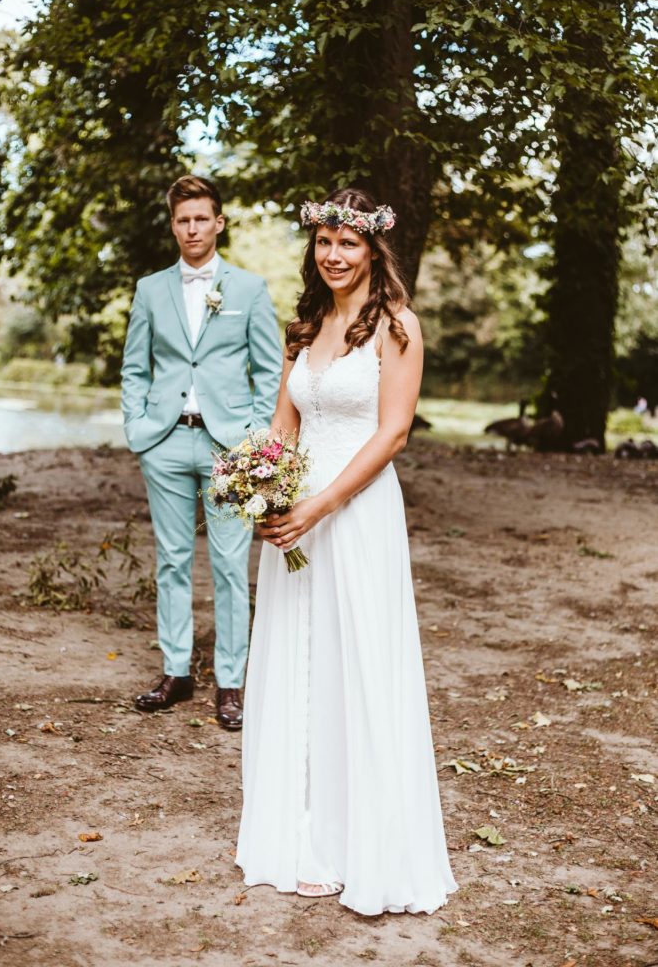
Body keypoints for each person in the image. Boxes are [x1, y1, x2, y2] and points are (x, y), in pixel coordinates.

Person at [236, 187, 457, 915]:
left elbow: (392, 435)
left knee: (352, 660)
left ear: (371, 251)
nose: (333, 256)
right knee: (298, 658)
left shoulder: (396, 327)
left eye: (347, 245)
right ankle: (295, 829)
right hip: (294, 516)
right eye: (324, 243)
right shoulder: (304, 328)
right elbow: (283, 426)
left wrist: (318, 507)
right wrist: (260, 490)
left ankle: (354, 839)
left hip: (354, 514)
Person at [121, 174, 282, 728]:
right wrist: (137, 426)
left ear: (219, 222)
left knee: (231, 566)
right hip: (164, 442)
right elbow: (135, 367)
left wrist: (256, 440)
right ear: (173, 226)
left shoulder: (249, 290)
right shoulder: (149, 289)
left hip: (229, 446)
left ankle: (231, 683)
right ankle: (176, 672)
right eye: (182, 219)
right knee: (171, 560)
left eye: (201, 218)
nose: (192, 228)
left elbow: (269, 371)